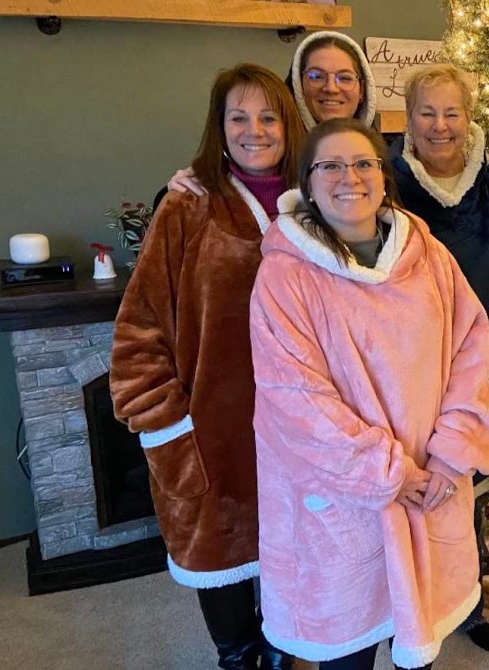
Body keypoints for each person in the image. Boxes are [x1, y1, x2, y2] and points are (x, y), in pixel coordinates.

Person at [249, 118, 489, 669]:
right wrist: (388, 474)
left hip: (433, 482)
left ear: (384, 177)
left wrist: (449, 455)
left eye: (364, 163)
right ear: (308, 183)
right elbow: (294, 400)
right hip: (344, 500)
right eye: (331, 166)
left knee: (422, 635)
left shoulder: (429, 257)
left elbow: (470, 349)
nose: (350, 177)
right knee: (351, 647)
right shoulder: (284, 278)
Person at [110, 64, 305, 669]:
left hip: (302, 429)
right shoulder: (187, 207)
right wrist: (166, 426)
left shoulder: (318, 203)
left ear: (289, 125)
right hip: (212, 431)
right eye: (238, 117)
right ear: (218, 128)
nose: (255, 131)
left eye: (269, 116)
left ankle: (279, 650)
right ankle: (237, 656)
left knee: (295, 553)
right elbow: (139, 328)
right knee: (220, 553)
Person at [392, 62, 489, 653]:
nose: (440, 126)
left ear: (469, 118)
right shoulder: (383, 182)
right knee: (416, 491)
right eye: (427, 112)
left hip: (480, 361)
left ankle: (469, 602)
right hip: (406, 368)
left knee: (471, 489)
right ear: (409, 119)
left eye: (451, 112)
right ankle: (407, 611)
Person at [166, 30, 375, 199]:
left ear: (363, 89)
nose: (331, 88)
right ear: (297, 83)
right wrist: (180, 186)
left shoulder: (379, 158)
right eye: (316, 76)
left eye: (345, 78)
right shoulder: (269, 153)